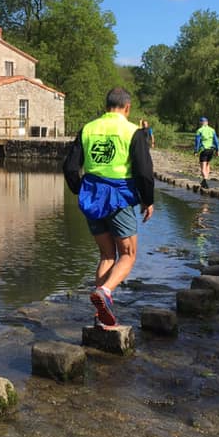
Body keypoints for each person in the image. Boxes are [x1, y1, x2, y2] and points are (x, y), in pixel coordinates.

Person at [64, 88, 154, 327]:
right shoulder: (133, 131)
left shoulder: (88, 129)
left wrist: (80, 189)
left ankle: (99, 311)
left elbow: (70, 168)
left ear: (106, 106)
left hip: (92, 196)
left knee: (106, 255)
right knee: (128, 254)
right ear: (127, 108)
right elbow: (144, 172)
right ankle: (105, 291)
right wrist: (148, 200)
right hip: (119, 196)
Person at [193, 116, 219, 189]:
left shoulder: (199, 130)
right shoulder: (212, 130)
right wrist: (217, 150)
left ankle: (205, 180)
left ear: (201, 122)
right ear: (207, 122)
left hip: (204, 150)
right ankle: (206, 180)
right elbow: (216, 141)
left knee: (203, 166)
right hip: (211, 150)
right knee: (208, 164)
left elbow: (197, 142)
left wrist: (196, 151)